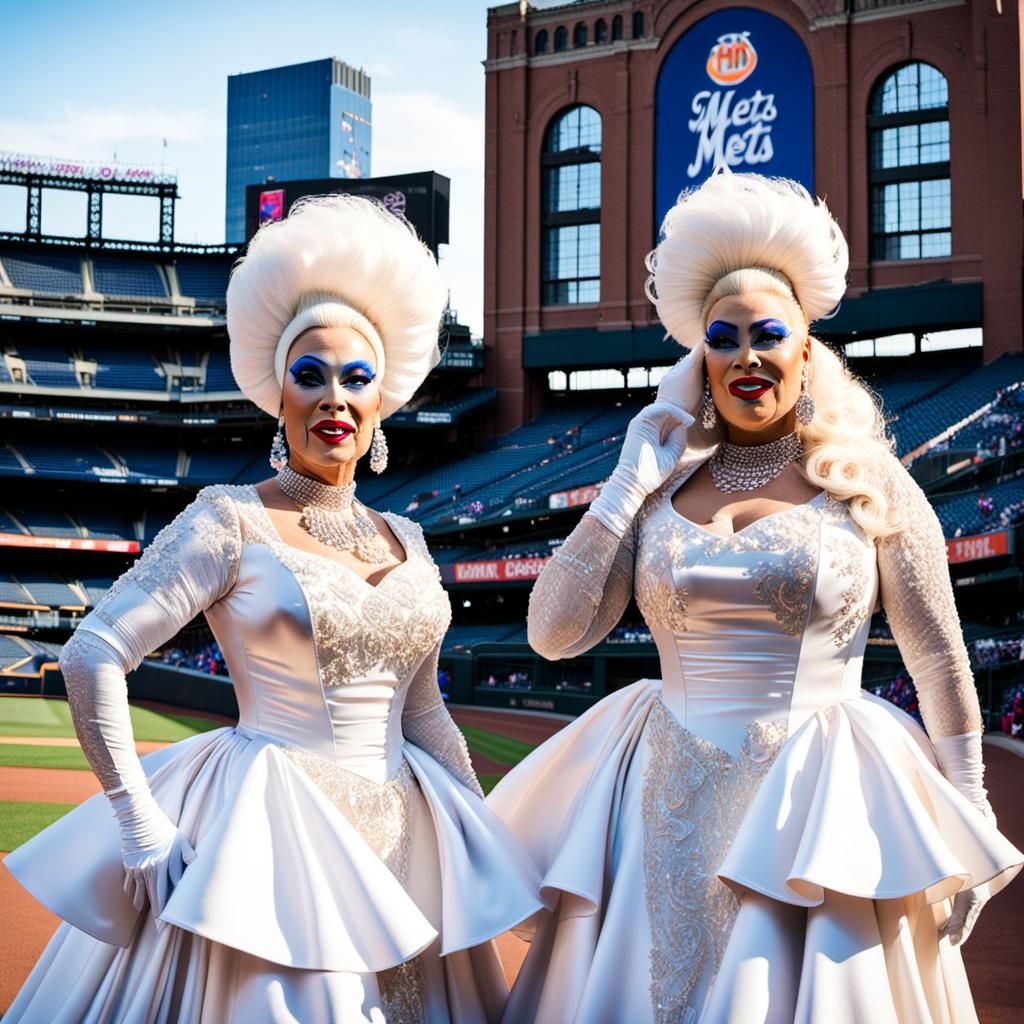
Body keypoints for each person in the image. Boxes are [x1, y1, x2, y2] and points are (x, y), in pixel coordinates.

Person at [487, 172, 1022, 1023]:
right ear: (698, 359)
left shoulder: (869, 481)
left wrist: (969, 808)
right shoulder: (657, 491)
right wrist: (627, 481)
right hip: (660, 802)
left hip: (820, 806)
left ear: (807, 352)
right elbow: (553, 635)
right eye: (722, 339)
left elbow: (938, 657)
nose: (745, 357)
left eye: (768, 335)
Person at [4, 195, 540, 1023]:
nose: (335, 399)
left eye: (356, 379)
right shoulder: (229, 519)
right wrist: (140, 825)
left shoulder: (408, 538)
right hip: (272, 840)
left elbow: (423, 712)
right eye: (310, 375)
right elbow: (92, 652)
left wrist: (479, 828)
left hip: (409, 846)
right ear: (278, 395)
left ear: (381, 402)